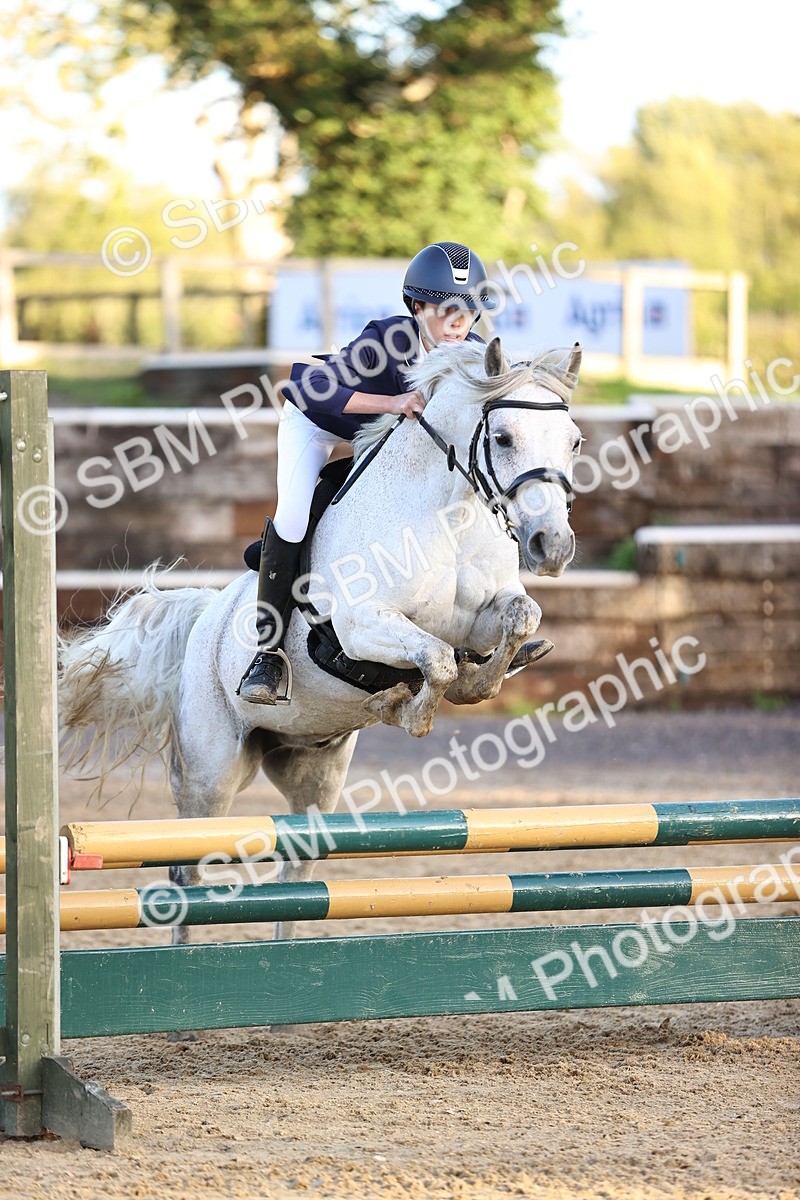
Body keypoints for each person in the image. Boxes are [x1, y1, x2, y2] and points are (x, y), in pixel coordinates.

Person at [237, 241, 548, 705]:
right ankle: (267, 655)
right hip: (322, 421)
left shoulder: (473, 353)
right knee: (295, 517)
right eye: (446, 311)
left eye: (468, 311)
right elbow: (306, 385)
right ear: (418, 307)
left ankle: (473, 640)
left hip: (385, 441)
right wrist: (392, 402)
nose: (459, 323)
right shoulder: (388, 341)